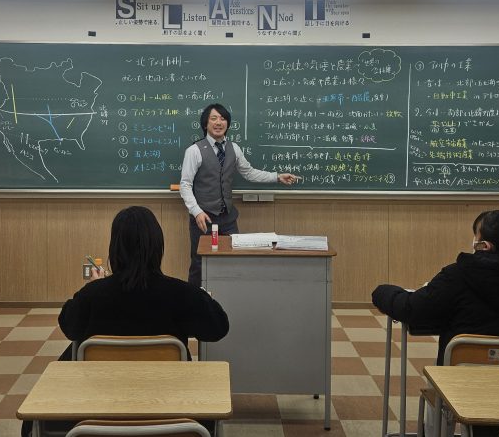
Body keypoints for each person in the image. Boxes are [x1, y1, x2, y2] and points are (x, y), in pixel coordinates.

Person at [22, 206, 230, 437]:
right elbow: (218, 328)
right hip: (171, 408)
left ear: (115, 248)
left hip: (98, 409)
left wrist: (94, 287)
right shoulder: (182, 294)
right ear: (158, 247)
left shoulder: (94, 295)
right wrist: (201, 298)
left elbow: (69, 326)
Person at [372, 210, 499, 365]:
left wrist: (382, 291)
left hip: (458, 388)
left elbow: (411, 309)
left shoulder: (458, 275)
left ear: (484, 245)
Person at [179, 103, 299, 284]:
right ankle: (194, 300)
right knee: (199, 263)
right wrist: (196, 212)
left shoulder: (234, 148)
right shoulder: (194, 151)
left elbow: (249, 173)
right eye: (213, 118)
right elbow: (185, 185)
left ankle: (226, 298)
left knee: (232, 260)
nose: (218, 122)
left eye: (223, 119)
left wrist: (277, 177)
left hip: (228, 219)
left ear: (227, 123)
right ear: (205, 124)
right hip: (204, 219)